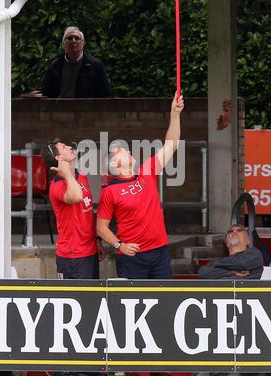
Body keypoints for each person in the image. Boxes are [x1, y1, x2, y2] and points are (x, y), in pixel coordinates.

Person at [96, 92, 184, 279]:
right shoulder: (110, 191)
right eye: (120, 151)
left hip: (159, 252)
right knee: (133, 304)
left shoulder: (146, 171)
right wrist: (120, 245)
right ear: (114, 165)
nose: (127, 150)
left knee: (164, 300)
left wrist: (175, 114)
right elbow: (101, 227)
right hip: (132, 256)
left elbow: (171, 145)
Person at [41, 138, 105, 279]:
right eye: (64, 147)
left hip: (90, 251)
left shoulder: (80, 176)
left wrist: (97, 239)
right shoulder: (57, 185)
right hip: (73, 256)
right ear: (58, 157)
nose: (70, 147)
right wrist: (67, 173)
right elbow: (76, 197)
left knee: (92, 299)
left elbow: (87, 210)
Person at [41, 26, 111, 98]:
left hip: (86, 108)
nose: (73, 41)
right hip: (60, 108)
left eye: (77, 38)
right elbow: (46, 91)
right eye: (70, 38)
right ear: (64, 43)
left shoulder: (95, 65)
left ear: (83, 43)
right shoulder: (55, 66)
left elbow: (105, 92)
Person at [198, 224, 263, 280]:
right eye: (230, 231)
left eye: (239, 230)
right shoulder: (220, 260)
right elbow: (202, 272)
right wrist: (232, 273)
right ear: (226, 242)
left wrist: (215, 263)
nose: (234, 232)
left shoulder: (254, 253)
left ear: (248, 240)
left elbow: (241, 264)